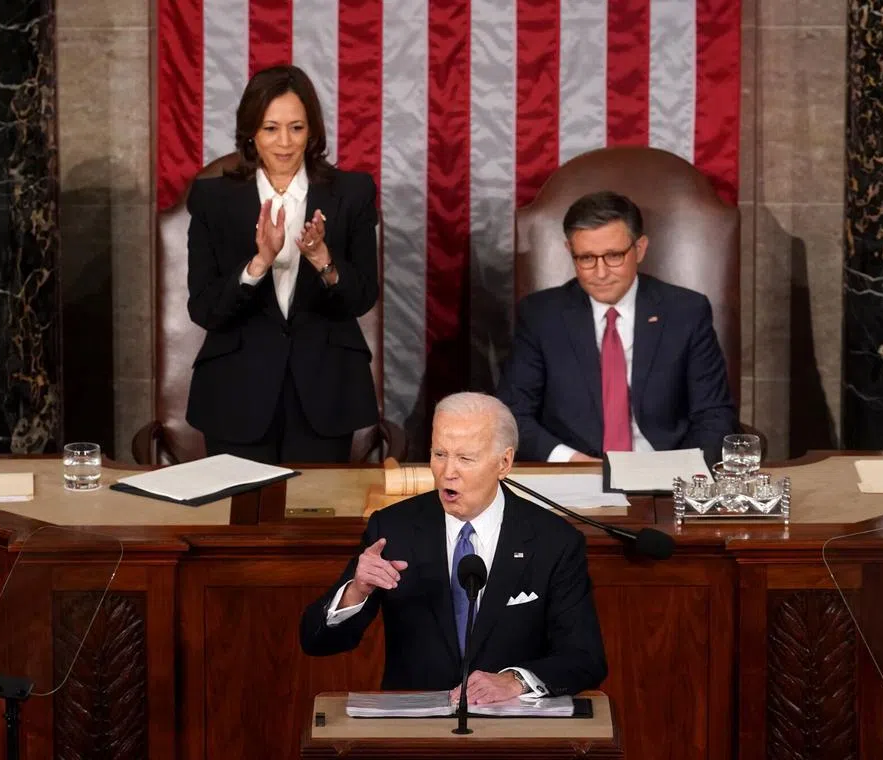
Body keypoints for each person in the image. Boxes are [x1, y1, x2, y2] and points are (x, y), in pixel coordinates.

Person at [300, 392, 607, 703]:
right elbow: (316, 642)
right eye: (439, 454)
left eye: (465, 458)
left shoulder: (553, 541)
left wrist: (515, 681)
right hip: (415, 731)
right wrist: (356, 590)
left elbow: (585, 658)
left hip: (511, 727)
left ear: (504, 462)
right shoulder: (393, 529)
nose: (448, 472)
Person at [185, 65, 379, 463]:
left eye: (297, 128)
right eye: (271, 128)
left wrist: (322, 259)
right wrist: (258, 263)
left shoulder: (352, 193)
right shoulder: (212, 199)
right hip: (235, 393)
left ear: (313, 132)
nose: (285, 143)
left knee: (316, 518)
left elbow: (361, 298)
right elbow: (204, 308)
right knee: (240, 523)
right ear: (251, 132)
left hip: (326, 391)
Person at [497, 190, 737, 465]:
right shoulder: (540, 315)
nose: (600, 273)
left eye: (613, 256)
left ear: (640, 248)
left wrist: (680, 470)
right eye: (586, 258)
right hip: (574, 472)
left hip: (664, 472)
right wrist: (571, 461)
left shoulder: (686, 312)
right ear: (570, 252)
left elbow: (714, 414)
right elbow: (513, 414)